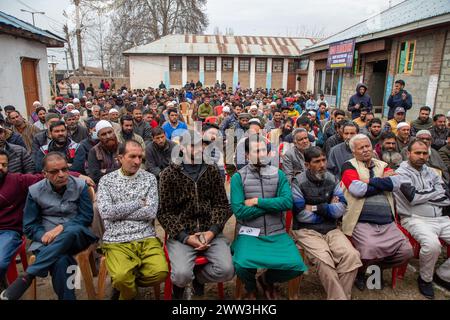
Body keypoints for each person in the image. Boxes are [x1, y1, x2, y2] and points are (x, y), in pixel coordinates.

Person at [0, 152, 97, 300]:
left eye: (64, 169)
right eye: (54, 172)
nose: (61, 175)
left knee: (71, 231)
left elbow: (86, 217)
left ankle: (29, 274)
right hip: (47, 241)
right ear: (44, 174)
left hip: (78, 237)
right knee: (62, 260)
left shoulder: (80, 185)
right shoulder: (35, 191)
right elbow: (30, 225)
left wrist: (61, 228)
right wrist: (43, 236)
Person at [158, 130, 234, 299]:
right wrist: (185, 237)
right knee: (180, 276)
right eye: (193, 146)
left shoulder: (212, 170)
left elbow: (221, 204)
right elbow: (164, 212)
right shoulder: (169, 174)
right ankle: (182, 284)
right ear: (182, 148)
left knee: (228, 271)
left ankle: (198, 278)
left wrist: (212, 231)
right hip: (182, 233)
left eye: (201, 145)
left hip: (210, 231)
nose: (199, 150)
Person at [230, 134, 307, 299]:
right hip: (249, 232)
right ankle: (251, 287)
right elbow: (240, 212)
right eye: (256, 151)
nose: (261, 154)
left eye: (264, 150)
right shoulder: (238, 177)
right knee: (241, 264)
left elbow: (287, 203)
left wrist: (257, 201)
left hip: (276, 232)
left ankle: (265, 280)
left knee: (297, 266)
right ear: (247, 154)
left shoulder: (278, 174)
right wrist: (272, 206)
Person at [97, 140, 168, 300]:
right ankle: (127, 289)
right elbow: (106, 212)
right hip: (117, 239)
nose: (137, 161)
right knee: (122, 277)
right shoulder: (107, 181)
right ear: (120, 158)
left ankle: (126, 285)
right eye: (132, 157)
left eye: (140, 157)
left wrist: (119, 211)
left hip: (145, 236)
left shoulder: (149, 179)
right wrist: (137, 203)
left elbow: (150, 212)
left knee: (161, 272)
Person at [340, 134, 413, 290]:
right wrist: (382, 181)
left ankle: (376, 267)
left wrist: (370, 182)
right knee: (369, 249)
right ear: (354, 152)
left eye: (368, 146)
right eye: (361, 148)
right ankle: (361, 272)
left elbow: (397, 183)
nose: (366, 150)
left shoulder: (382, 164)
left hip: (387, 221)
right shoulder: (348, 166)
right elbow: (357, 189)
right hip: (360, 220)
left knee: (406, 252)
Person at [291, 147, 362, 300]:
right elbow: (301, 215)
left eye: (324, 160)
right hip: (306, 230)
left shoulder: (333, 179)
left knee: (352, 256)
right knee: (325, 261)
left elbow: (341, 209)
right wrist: (328, 209)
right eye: (317, 161)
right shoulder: (298, 182)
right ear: (307, 164)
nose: (322, 164)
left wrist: (315, 208)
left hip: (331, 229)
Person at [394, 140, 450, 299]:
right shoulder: (400, 172)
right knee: (432, 245)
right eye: (417, 153)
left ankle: (443, 275)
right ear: (408, 153)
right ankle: (425, 279)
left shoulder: (432, 172)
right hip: (414, 218)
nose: (421, 156)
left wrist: (424, 195)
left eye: (425, 153)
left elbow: (446, 196)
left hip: (440, 218)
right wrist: (433, 193)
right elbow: (412, 198)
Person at [87, 120, 120, 185]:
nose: (108, 136)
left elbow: (128, 169)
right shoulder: (94, 151)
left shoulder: (123, 147)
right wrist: (119, 170)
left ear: (114, 132)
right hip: (103, 185)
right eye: (103, 134)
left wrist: (104, 171)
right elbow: (95, 176)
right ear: (98, 137)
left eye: (110, 132)